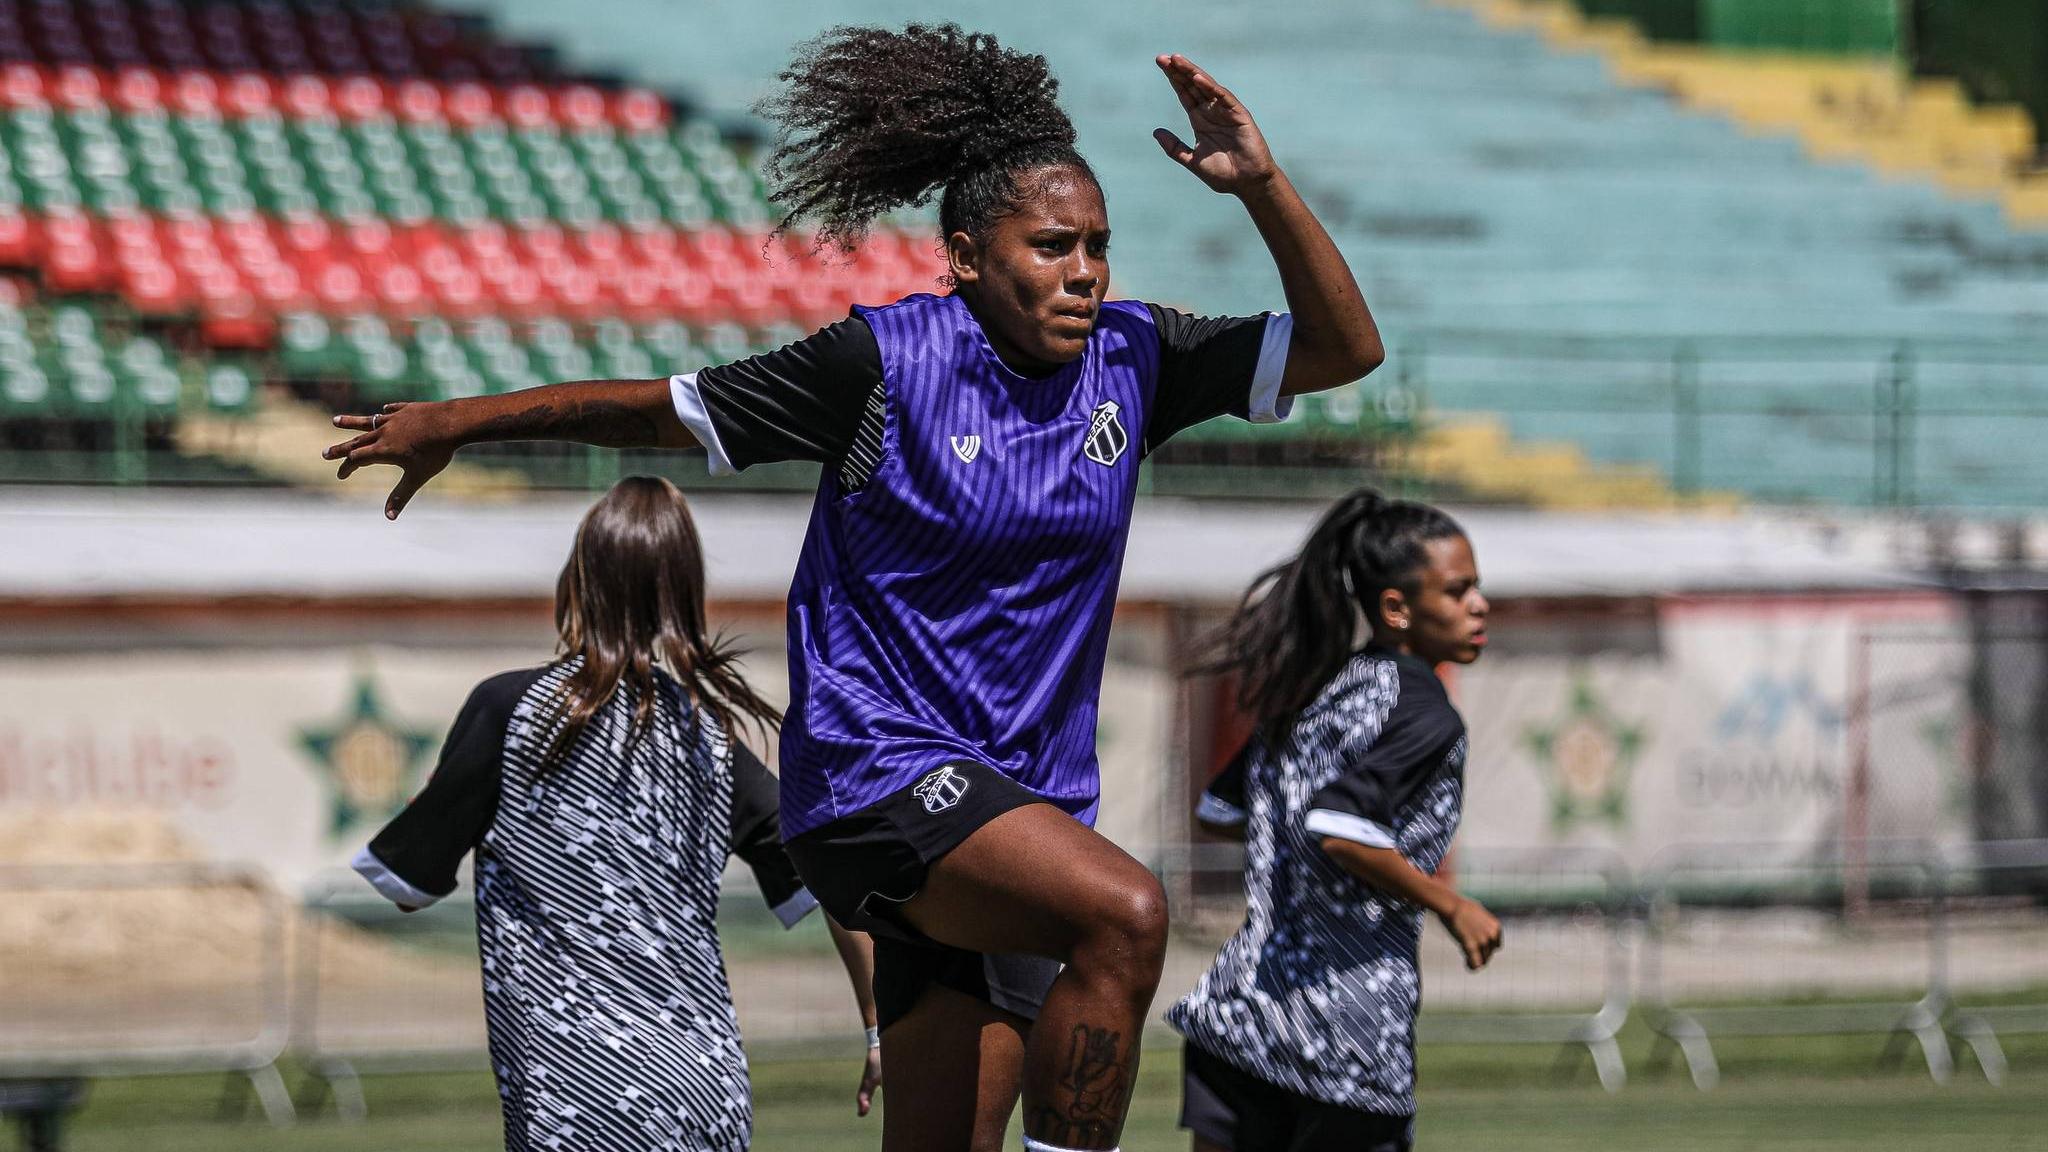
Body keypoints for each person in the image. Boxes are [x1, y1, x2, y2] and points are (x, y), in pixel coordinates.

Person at [324, 24, 1382, 1152]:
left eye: (1098, 248)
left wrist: (1260, 186)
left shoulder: (1137, 359)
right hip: (877, 781)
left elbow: (1343, 349)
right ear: (968, 257)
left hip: (1022, 813)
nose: (1083, 273)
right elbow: (655, 410)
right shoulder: (881, 366)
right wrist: (454, 423)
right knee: (1125, 915)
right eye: (1051, 246)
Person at [349, 476, 881, 1152]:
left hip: (577, 1096)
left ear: (578, 580)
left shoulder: (509, 713)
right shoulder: (712, 738)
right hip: (707, 1089)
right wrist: (876, 1025)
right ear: (686, 594)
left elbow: (408, 887)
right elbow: (836, 876)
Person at [1166, 490, 1502, 1152]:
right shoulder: (1425, 714)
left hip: (1243, 1016)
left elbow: (1222, 810)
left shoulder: (1317, 690)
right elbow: (1341, 828)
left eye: (1477, 588)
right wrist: (1451, 904)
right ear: (1396, 610)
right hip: (1345, 1032)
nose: (1479, 604)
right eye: (1458, 591)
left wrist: (1298, 854)